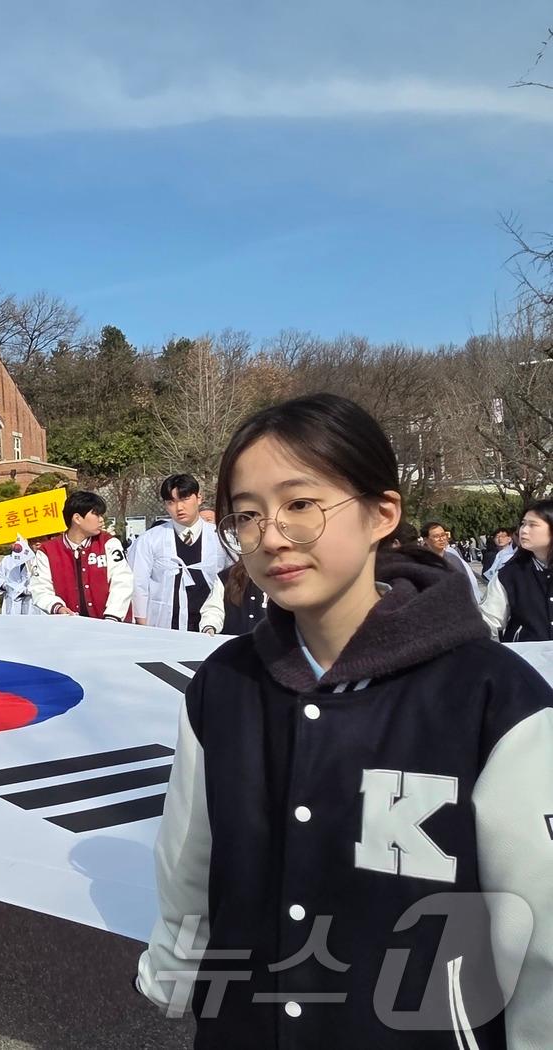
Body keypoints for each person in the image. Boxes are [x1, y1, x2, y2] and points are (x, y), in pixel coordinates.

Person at [136, 393, 553, 1048]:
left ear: (381, 513)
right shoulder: (224, 688)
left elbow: (540, 934)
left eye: (301, 505)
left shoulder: (493, 698)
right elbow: (190, 866)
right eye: (247, 516)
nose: (271, 536)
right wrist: (174, 975)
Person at [126, 473, 231, 630]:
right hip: (164, 625)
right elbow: (138, 584)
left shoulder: (221, 537)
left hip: (212, 625)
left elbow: (234, 578)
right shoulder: (149, 540)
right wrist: (143, 625)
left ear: (199, 498)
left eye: (184, 499)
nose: (179, 508)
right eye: (171, 502)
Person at [28, 491, 133, 619]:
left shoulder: (109, 543)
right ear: (77, 518)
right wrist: (57, 607)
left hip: (112, 626)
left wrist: (112, 616)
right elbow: (40, 587)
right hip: (70, 628)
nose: (101, 520)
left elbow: (122, 581)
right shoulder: (47, 551)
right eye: (96, 514)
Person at [480, 500, 553, 642]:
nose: (523, 530)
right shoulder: (510, 574)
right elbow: (489, 619)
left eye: (533, 525)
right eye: (523, 524)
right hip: (527, 659)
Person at [197, 559, 267, 636]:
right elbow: (214, 608)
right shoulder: (226, 577)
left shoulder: (276, 578)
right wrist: (209, 625)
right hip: (232, 641)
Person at [421, 519, 482, 601]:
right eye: (436, 536)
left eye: (443, 535)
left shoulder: (453, 559)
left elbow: (466, 585)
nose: (441, 539)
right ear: (426, 540)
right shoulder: (421, 562)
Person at [0, 535, 43, 615]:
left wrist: (30, 589)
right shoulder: (7, 560)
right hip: (12, 599)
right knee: (11, 624)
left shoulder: (42, 560)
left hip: (32, 601)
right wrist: (5, 586)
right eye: (33, 540)